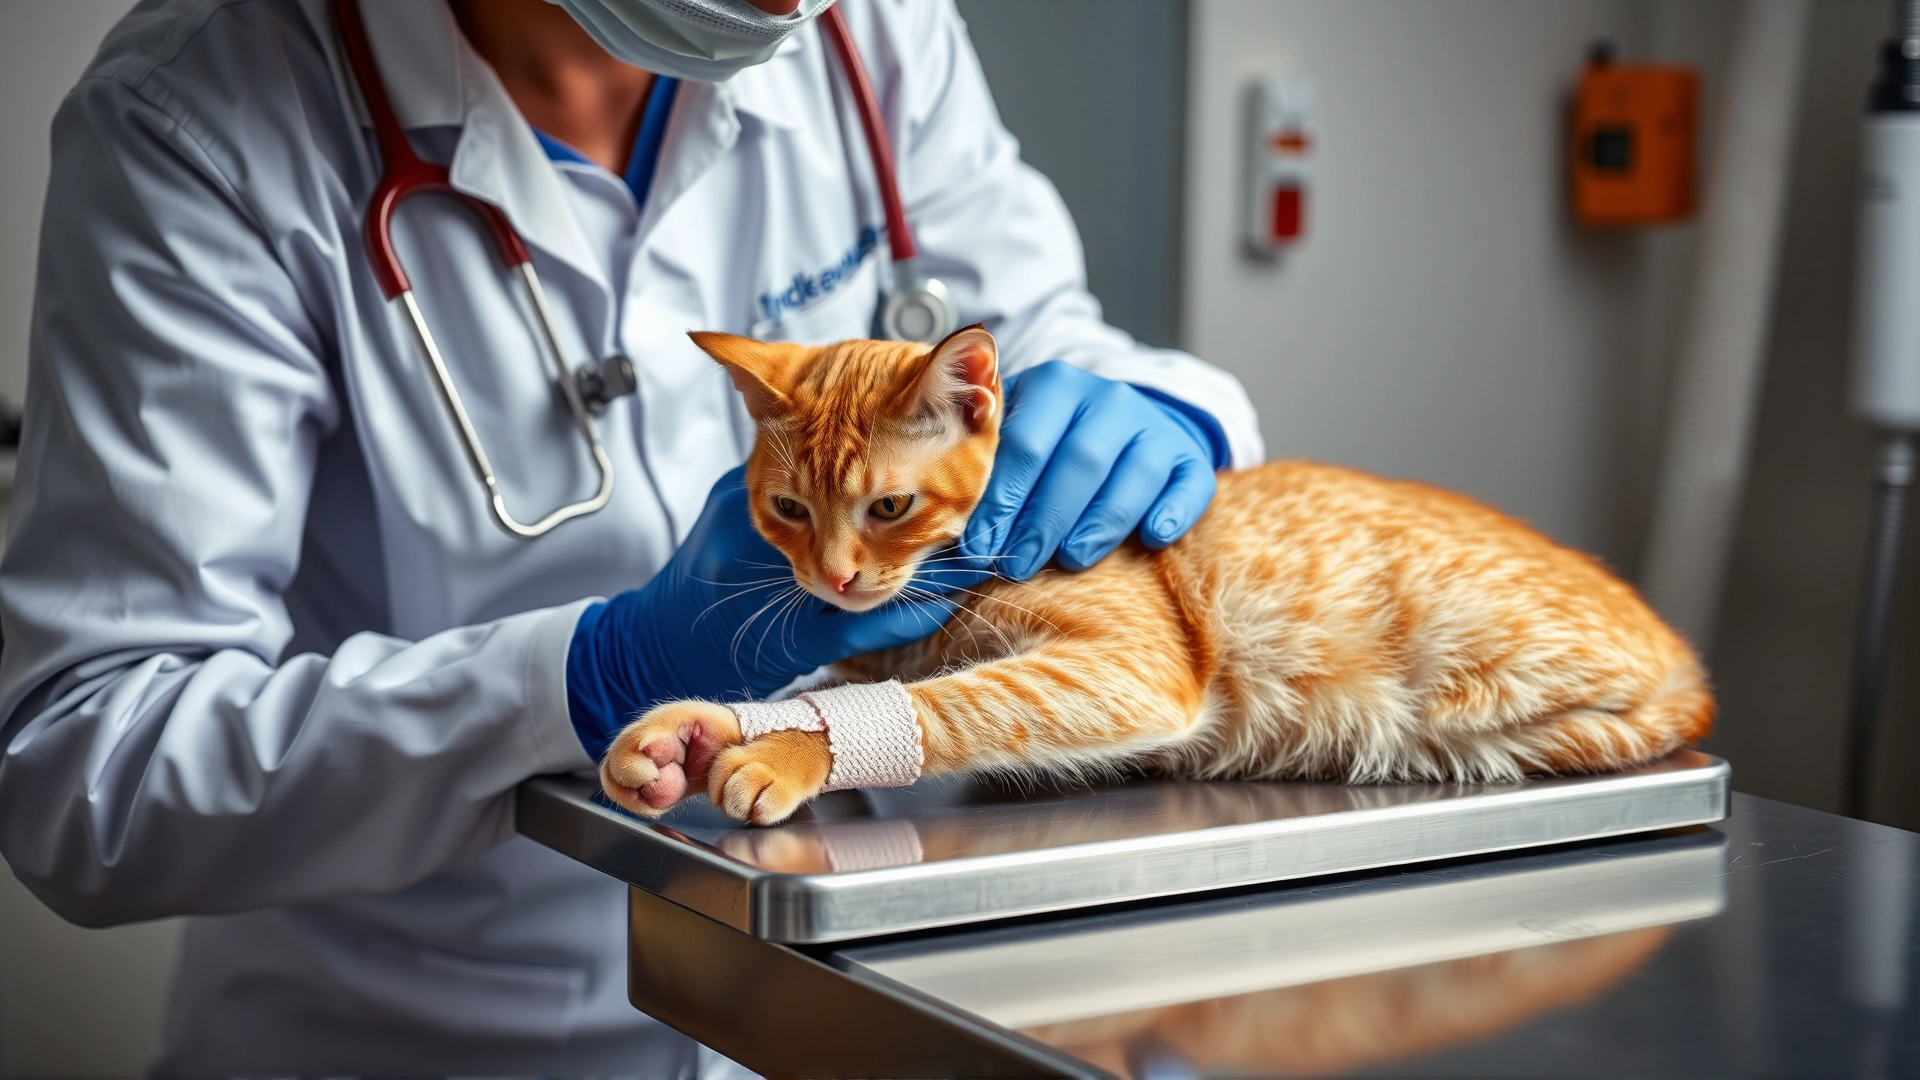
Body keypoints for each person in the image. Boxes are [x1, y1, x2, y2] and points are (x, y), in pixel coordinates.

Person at [0, 0, 1261, 1074]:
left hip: (873, 997)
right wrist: (590, 676)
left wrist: (1167, 412)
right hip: (438, 1034)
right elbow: (86, 769)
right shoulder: (196, 118)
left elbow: (1037, 331)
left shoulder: (870, 28)